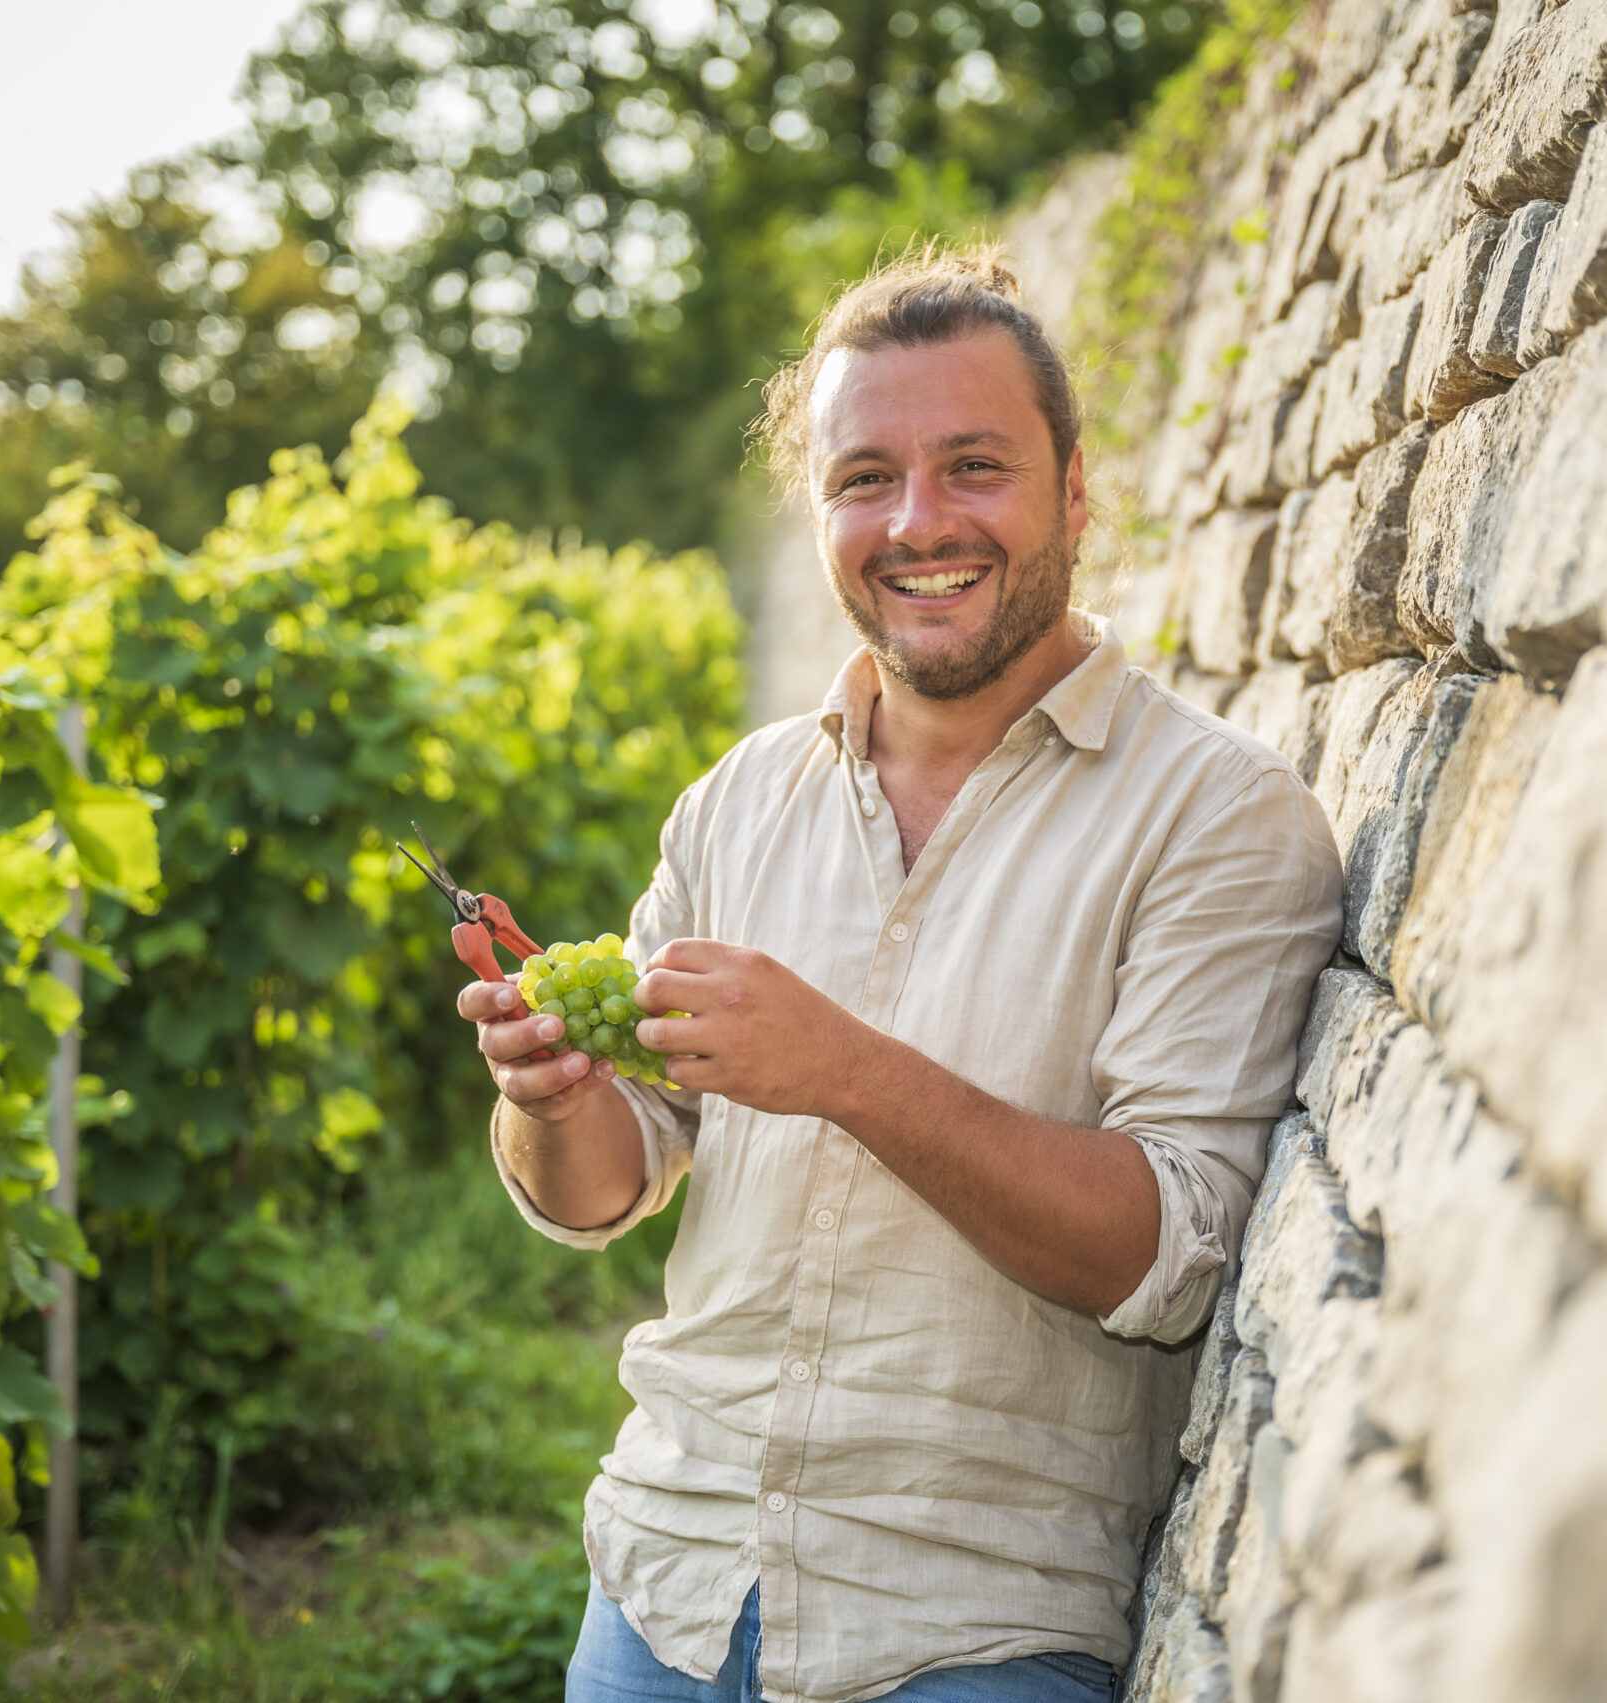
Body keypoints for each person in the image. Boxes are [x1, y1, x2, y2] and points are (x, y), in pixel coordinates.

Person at [456, 245, 1343, 1703]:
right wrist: (549, 1098)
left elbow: (1167, 1258)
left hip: (968, 1629)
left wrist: (851, 1074)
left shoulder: (1218, 816)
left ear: (1072, 485)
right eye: (864, 477)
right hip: (661, 1587)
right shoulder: (736, 802)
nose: (917, 523)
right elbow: (604, 1191)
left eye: (974, 466)